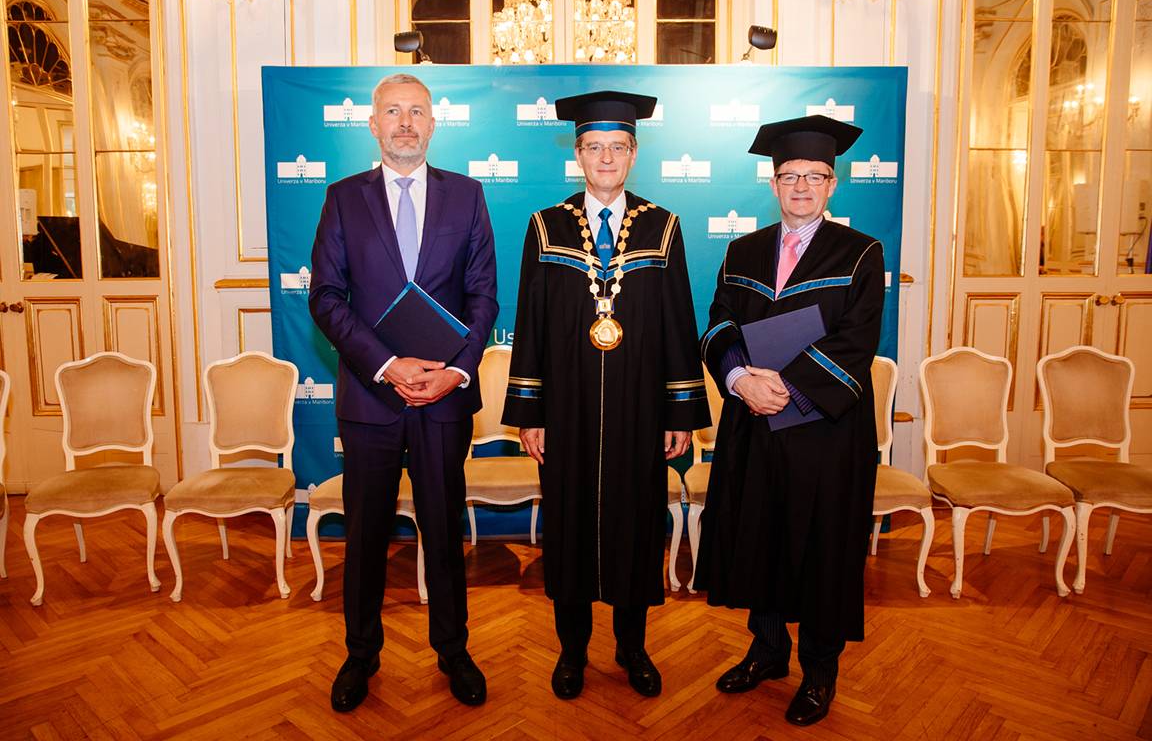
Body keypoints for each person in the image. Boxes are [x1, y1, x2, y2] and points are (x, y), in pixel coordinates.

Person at [502, 90, 711, 701]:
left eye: (618, 147)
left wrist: (679, 412)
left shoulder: (662, 226)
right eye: (594, 147)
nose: (606, 158)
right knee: (568, 528)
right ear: (578, 154)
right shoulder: (545, 226)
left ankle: (632, 647)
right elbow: (530, 323)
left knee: (635, 527)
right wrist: (531, 413)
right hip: (566, 414)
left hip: (638, 412)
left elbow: (678, 323)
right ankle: (572, 651)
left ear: (634, 153)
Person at [309, 73, 498, 712]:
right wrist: (387, 365)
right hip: (372, 400)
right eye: (393, 111)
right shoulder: (343, 199)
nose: (406, 122)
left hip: (444, 398)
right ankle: (360, 655)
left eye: (417, 111)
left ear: (433, 124)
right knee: (366, 535)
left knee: (444, 530)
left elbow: (482, 296)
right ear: (373, 124)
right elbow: (325, 298)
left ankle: (454, 650)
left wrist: (455, 373)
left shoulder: (467, 196)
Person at [696, 115, 885, 726]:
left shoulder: (860, 252)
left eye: (814, 176)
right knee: (762, 534)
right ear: (773, 182)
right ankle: (768, 650)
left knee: (823, 546)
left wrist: (787, 386)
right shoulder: (743, 250)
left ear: (833, 184)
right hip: (754, 420)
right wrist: (740, 380)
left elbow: (858, 340)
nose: (801, 186)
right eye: (789, 176)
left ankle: (819, 671)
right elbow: (720, 322)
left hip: (824, 429)